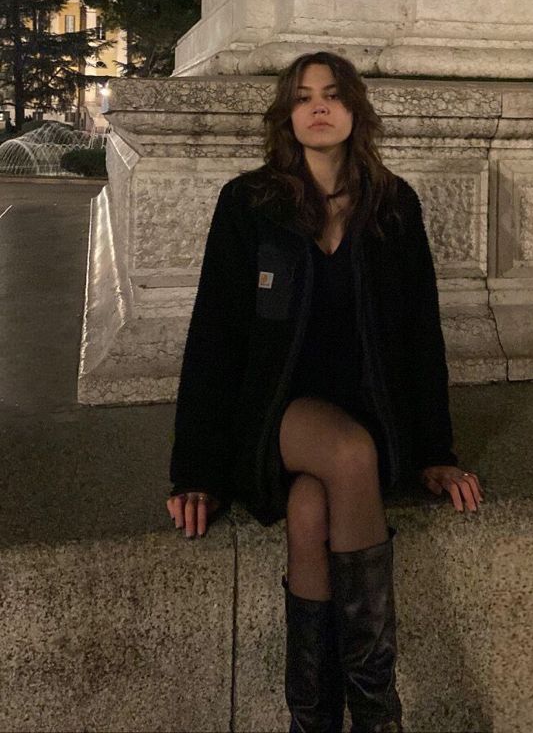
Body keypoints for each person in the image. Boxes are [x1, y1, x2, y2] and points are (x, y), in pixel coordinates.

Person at [166, 50, 484, 733]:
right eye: (303, 95)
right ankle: (378, 717)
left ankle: (313, 722)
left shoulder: (391, 204)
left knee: (310, 512)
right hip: (279, 412)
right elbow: (214, 339)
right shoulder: (249, 203)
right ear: (286, 114)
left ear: (354, 111)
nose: (318, 105)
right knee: (343, 456)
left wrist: (435, 450)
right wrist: (195, 470)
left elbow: (419, 333)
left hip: (373, 411)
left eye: (333, 94)